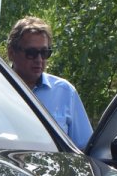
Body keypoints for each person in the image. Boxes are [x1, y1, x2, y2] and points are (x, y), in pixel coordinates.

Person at [6, 16, 92, 148]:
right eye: (31, 53)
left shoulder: (65, 92)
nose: (39, 59)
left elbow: (85, 148)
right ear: (11, 53)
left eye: (44, 53)